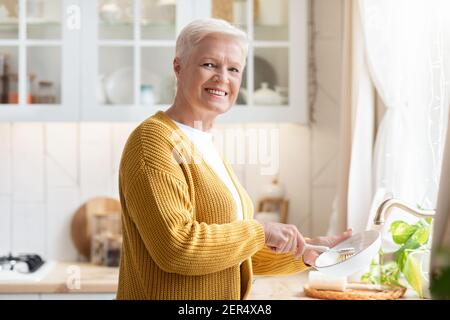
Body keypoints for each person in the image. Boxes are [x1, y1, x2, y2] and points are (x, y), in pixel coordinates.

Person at [116, 18, 352, 300]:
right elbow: (177, 249)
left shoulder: (204, 144)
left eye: (233, 69)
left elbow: (235, 253)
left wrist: (309, 251)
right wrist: (261, 230)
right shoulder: (152, 141)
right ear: (178, 67)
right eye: (209, 65)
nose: (222, 78)